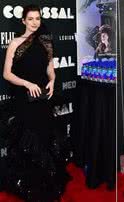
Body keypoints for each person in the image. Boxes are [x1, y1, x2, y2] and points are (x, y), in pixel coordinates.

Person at [1, 4, 71, 201]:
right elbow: (7, 74)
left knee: (45, 135)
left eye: (37, 19)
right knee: (28, 139)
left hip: (43, 97)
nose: (34, 22)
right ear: (23, 21)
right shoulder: (15, 43)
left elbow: (50, 68)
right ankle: (28, 182)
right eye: (30, 19)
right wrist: (26, 83)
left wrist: (53, 80)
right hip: (25, 98)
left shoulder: (46, 42)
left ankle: (45, 179)